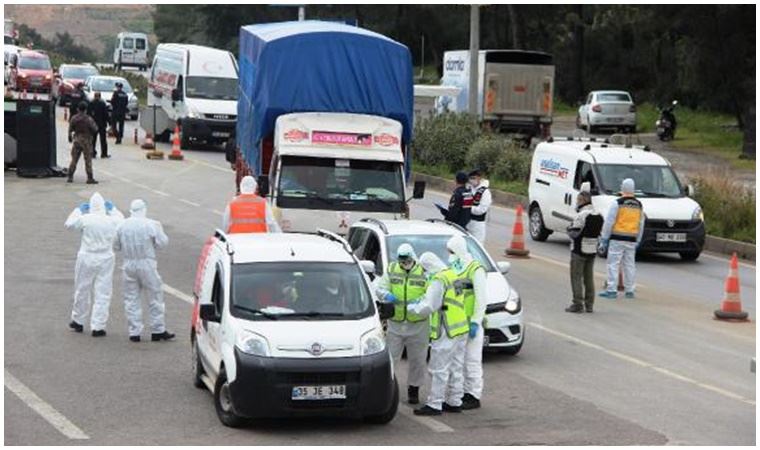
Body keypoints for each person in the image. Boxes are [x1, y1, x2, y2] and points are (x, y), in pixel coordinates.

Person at [408, 252, 468, 416]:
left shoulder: (438, 280)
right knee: (456, 366)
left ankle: (435, 404)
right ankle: (455, 401)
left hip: (446, 328)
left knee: (438, 368)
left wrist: (413, 308)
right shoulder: (452, 274)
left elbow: (430, 306)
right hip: (460, 328)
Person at [373, 243, 429, 405]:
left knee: (418, 360)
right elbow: (380, 288)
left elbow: (431, 292)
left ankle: (414, 390)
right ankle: (387, 388)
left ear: (412, 257)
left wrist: (421, 302)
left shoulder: (423, 271)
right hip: (396, 323)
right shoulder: (392, 269)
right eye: (401, 260)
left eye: (406, 260)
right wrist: (387, 295)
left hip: (418, 323)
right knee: (391, 358)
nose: (403, 263)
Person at [114, 199, 174, 342]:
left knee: (131, 298)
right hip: (147, 262)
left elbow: (115, 246)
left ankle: (134, 332)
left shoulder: (122, 225)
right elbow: (162, 242)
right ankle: (157, 330)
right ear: (144, 209)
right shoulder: (152, 224)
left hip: (129, 263)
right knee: (155, 296)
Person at [65, 192, 124, 336]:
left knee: (82, 289)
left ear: (90, 206)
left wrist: (78, 210)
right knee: (103, 292)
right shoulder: (111, 220)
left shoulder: (86, 218)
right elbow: (122, 221)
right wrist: (113, 209)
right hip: (106, 257)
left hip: (86, 256)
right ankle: (98, 326)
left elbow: (69, 224)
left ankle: (78, 320)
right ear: (104, 206)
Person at [447, 234, 488, 410]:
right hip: (457, 323)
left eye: (451, 251)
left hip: (472, 323)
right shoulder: (454, 268)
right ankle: (461, 392)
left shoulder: (475, 269)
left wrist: (476, 322)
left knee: (472, 360)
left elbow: (481, 299)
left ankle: (473, 394)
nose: (449, 255)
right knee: (457, 361)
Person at [599, 178, 645, 299]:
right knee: (629, 265)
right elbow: (641, 223)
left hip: (617, 238)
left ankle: (611, 290)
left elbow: (609, 221)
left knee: (613, 264)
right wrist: (639, 239)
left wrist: (604, 238)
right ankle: (630, 290)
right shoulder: (639, 205)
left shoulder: (617, 203)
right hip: (632, 239)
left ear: (622, 188)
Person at [565, 182, 604, 313]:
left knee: (576, 277)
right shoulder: (598, 214)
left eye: (578, 200)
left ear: (582, 200)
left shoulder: (581, 215)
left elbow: (573, 232)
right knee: (589, 278)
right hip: (592, 250)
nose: (576, 202)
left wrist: (568, 229)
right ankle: (589, 304)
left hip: (578, 250)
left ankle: (577, 303)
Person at [67, 101, 99, 184]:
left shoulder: (74, 118)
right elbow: (95, 129)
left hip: (77, 139)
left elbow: (70, 129)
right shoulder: (88, 119)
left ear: (78, 109)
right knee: (88, 160)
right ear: (86, 110)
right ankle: (90, 178)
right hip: (86, 141)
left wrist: (70, 137)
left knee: (74, 159)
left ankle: (70, 176)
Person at [467, 169, 492, 243]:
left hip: (477, 224)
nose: (472, 180)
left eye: (474, 178)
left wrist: (468, 208)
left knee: (477, 244)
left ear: (479, 178)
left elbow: (481, 210)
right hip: (466, 222)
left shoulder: (485, 192)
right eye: (470, 178)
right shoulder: (469, 189)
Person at [87, 91, 110, 158]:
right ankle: (104, 153)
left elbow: (88, 114)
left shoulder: (91, 103)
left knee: (93, 140)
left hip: (93, 124)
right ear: (100, 97)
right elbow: (106, 114)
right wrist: (109, 122)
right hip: (102, 124)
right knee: (103, 140)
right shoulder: (102, 104)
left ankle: (92, 153)